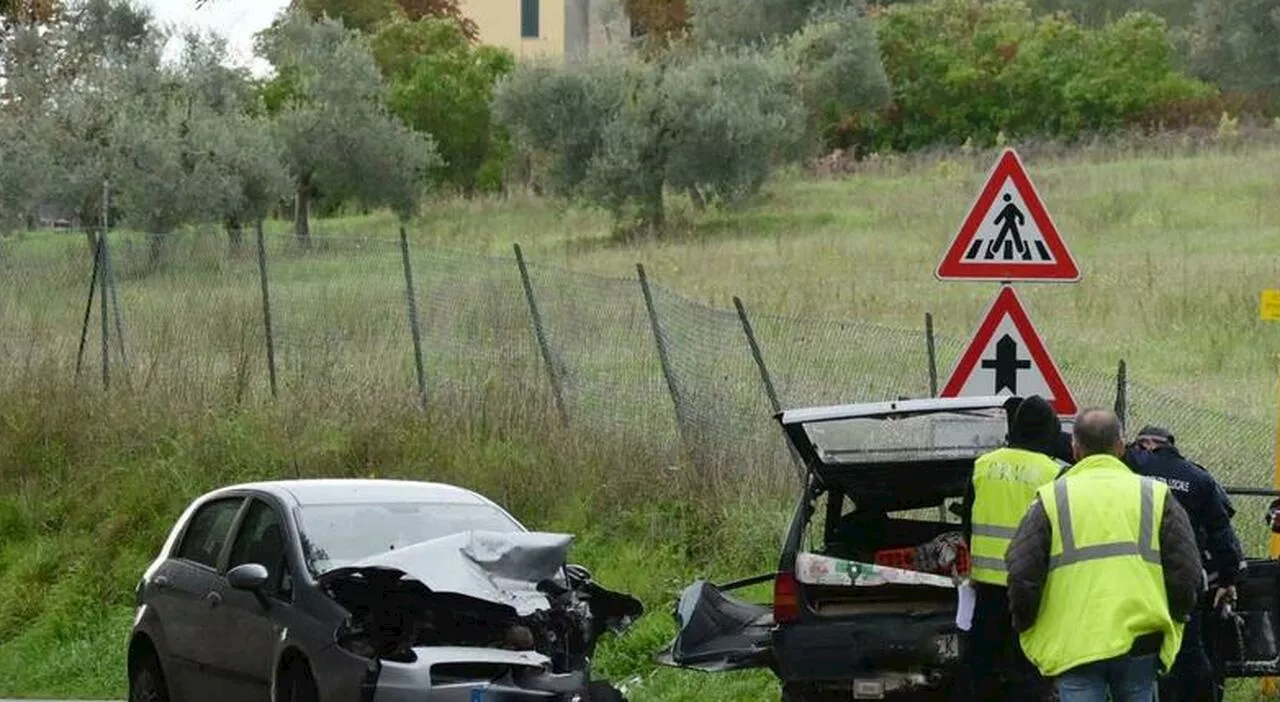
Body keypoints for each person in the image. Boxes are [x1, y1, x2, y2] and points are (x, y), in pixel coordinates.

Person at [1006, 408, 1203, 702]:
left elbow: (1023, 574)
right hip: (1142, 641)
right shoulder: (1155, 495)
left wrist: (1026, 623)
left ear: (1074, 448)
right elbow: (1186, 572)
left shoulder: (1051, 498)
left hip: (1075, 640)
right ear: (1121, 447)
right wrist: (1175, 617)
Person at [953, 395, 1064, 701]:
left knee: (979, 664)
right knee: (1026, 669)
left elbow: (967, 523)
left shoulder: (983, 465)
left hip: (988, 586)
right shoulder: (1053, 473)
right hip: (1031, 588)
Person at [1124, 425, 1244, 702]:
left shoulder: (1130, 471)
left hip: (1134, 578)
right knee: (1189, 652)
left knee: (1133, 655)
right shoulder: (1199, 478)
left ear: (1146, 445)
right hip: (1183, 578)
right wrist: (1227, 581)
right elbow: (1222, 536)